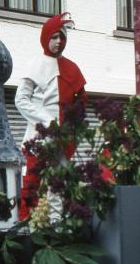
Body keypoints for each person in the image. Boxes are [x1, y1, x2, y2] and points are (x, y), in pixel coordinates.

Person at [15, 12, 87, 221]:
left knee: (59, 184)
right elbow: (21, 100)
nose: (59, 41)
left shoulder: (71, 67)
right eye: (54, 37)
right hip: (39, 137)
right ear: (45, 38)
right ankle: (26, 224)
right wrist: (47, 122)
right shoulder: (35, 64)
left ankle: (57, 228)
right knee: (32, 183)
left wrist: (72, 127)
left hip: (63, 137)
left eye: (62, 37)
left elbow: (81, 102)